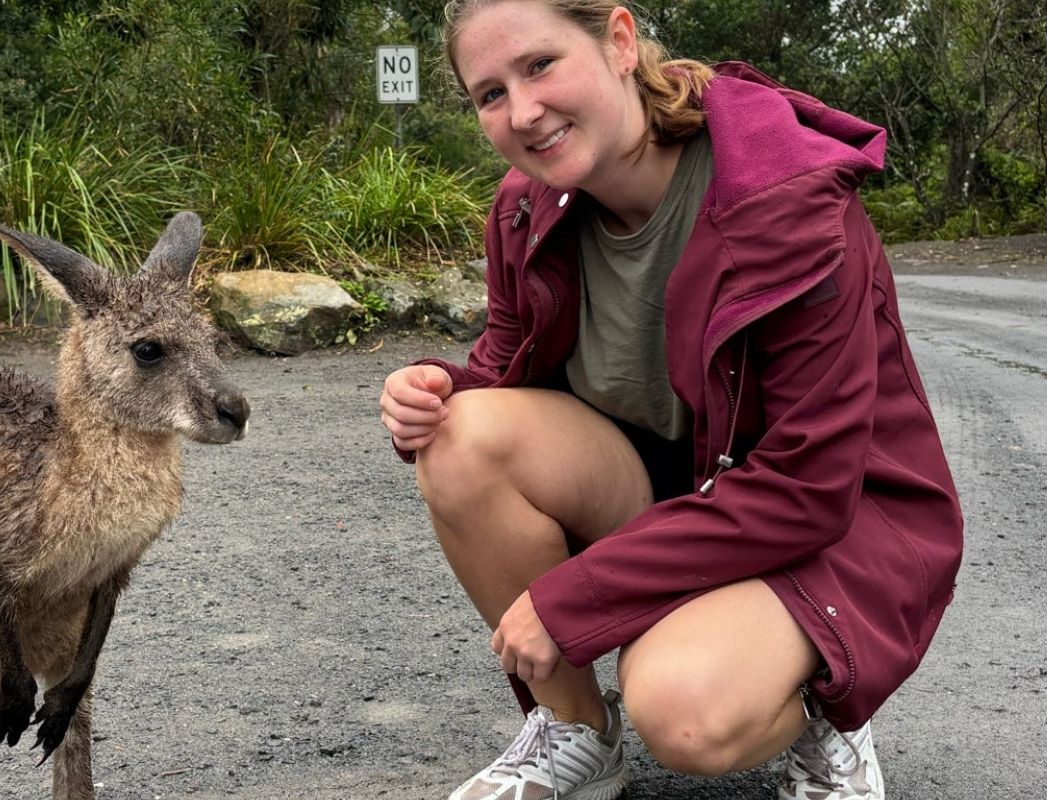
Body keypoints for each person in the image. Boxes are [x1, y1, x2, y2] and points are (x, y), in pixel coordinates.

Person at [377, 2, 964, 799]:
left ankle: (828, 706)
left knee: (684, 711)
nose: (523, 112)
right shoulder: (524, 209)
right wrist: (431, 392)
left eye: (541, 65)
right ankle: (575, 731)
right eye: (490, 93)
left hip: (832, 522)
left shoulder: (785, 197)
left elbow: (809, 487)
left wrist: (575, 599)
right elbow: (500, 375)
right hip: (682, 498)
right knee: (459, 436)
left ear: (620, 42)